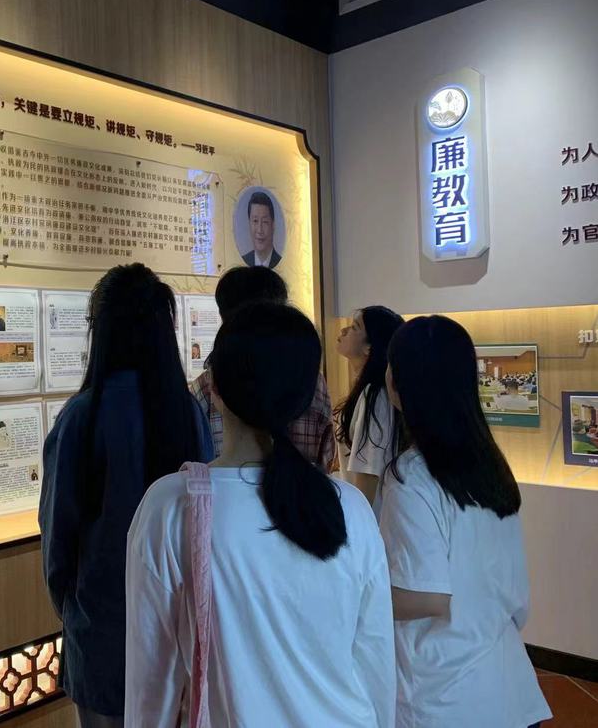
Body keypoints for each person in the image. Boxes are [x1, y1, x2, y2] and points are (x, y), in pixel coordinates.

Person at [125, 302, 394, 727]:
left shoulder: (172, 506)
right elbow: (375, 661)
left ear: (213, 387)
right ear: (306, 396)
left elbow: (151, 681)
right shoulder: (350, 507)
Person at [39, 263, 213, 728]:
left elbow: (58, 543)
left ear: (101, 331)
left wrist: (75, 612)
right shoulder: (186, 411)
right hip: (179, 631)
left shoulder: (83, 417)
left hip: (103, 632)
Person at [381, 316, 551, 728]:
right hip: (511, 685)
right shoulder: (489, 464)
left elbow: (425, 597)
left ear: (399, 384)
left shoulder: (411, 477)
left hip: (446, 697)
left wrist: (353, 593)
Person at [190, 265, 335, 469]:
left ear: (225, 319)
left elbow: (197, 456)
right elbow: (325, 455)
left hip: (223, 488)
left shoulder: (209, 384)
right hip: (305, 488)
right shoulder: (310, 378)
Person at [334, 305, 405, 510]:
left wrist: (356, 522)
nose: (343, 331)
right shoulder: (370, 392)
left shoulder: (375, 395)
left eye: (354, 327)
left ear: (369, 347)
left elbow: (368, 474)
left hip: (371, 516)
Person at [240, 191, 282, 268]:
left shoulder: (282, 262)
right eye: (255, 221)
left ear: (273, 225)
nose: (260, 230)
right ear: (249, 223)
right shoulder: (242, 263)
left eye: (265, 222)